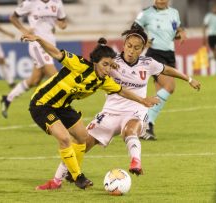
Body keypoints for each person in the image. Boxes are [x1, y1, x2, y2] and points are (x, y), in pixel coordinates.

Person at [34, 28, 201, 190]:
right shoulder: (112, 63)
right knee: (82, 143)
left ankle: (135, 162)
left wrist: (189, 78)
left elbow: (167, 69)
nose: (131, 51)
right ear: (124, 44)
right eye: (129, 46)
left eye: (136, 48)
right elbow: (96, 64)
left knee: (129, 131)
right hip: (110, 112)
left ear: (143, 49)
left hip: (136, 109)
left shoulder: (147, 63)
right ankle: (59, 179)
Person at [21, 33, 160, 190]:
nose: (108, 70)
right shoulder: (78, 65)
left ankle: (60, 179)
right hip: (42, 104)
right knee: (65, 139)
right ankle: (77, 177)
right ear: (95, 62)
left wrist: (143, 101)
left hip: (62, 106)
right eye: (105, 65)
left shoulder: (103, 80)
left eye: (111, 65)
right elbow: (55, 52)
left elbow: (122, 91)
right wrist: (39, 39)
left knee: (82, 137)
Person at [0, 0, 67, 118]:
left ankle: (7, 98)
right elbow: (13, 17)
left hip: (51, 45)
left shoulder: (57, 2)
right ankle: (61, 111)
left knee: (34, 80)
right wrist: (24, 30)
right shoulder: (31, 3)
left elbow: (62, 21)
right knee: (55, 77)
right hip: (37, 45)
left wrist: (62, 25)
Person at [131, 0, 187, 140]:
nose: (161, 0)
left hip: (170, 55)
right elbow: (133, 29)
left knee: (160, 94)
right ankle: (146, 122)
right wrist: (143, 40)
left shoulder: (174, 13)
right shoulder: (146, 13)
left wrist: (181, 33)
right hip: (155, 54)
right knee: (170, 87)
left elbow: (176, 30)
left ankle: (147, 126)